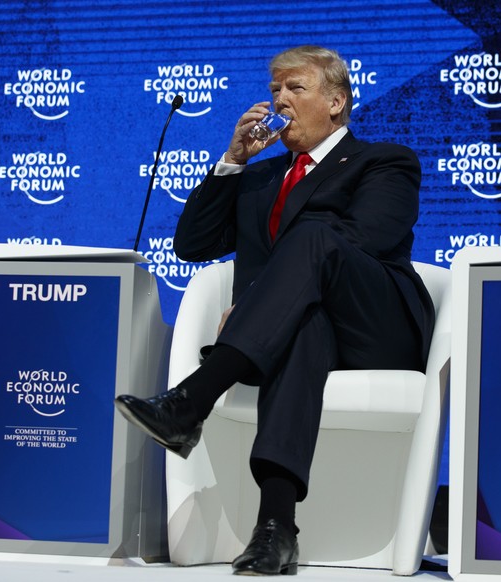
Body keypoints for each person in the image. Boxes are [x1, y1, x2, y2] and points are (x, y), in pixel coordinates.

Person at [115, 45, 434, 576]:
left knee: (314, 241)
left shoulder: (384, 161)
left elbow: (369, 236)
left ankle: (190, 401)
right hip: (301, 329)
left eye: (295, 88)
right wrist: (234, 161)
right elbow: (192, 245)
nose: (279, 101)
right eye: (274, 90)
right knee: (299, 329)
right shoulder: (261, 179)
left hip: (378, 325)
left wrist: (262, 294)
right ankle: (276, 530)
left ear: (336, 102)